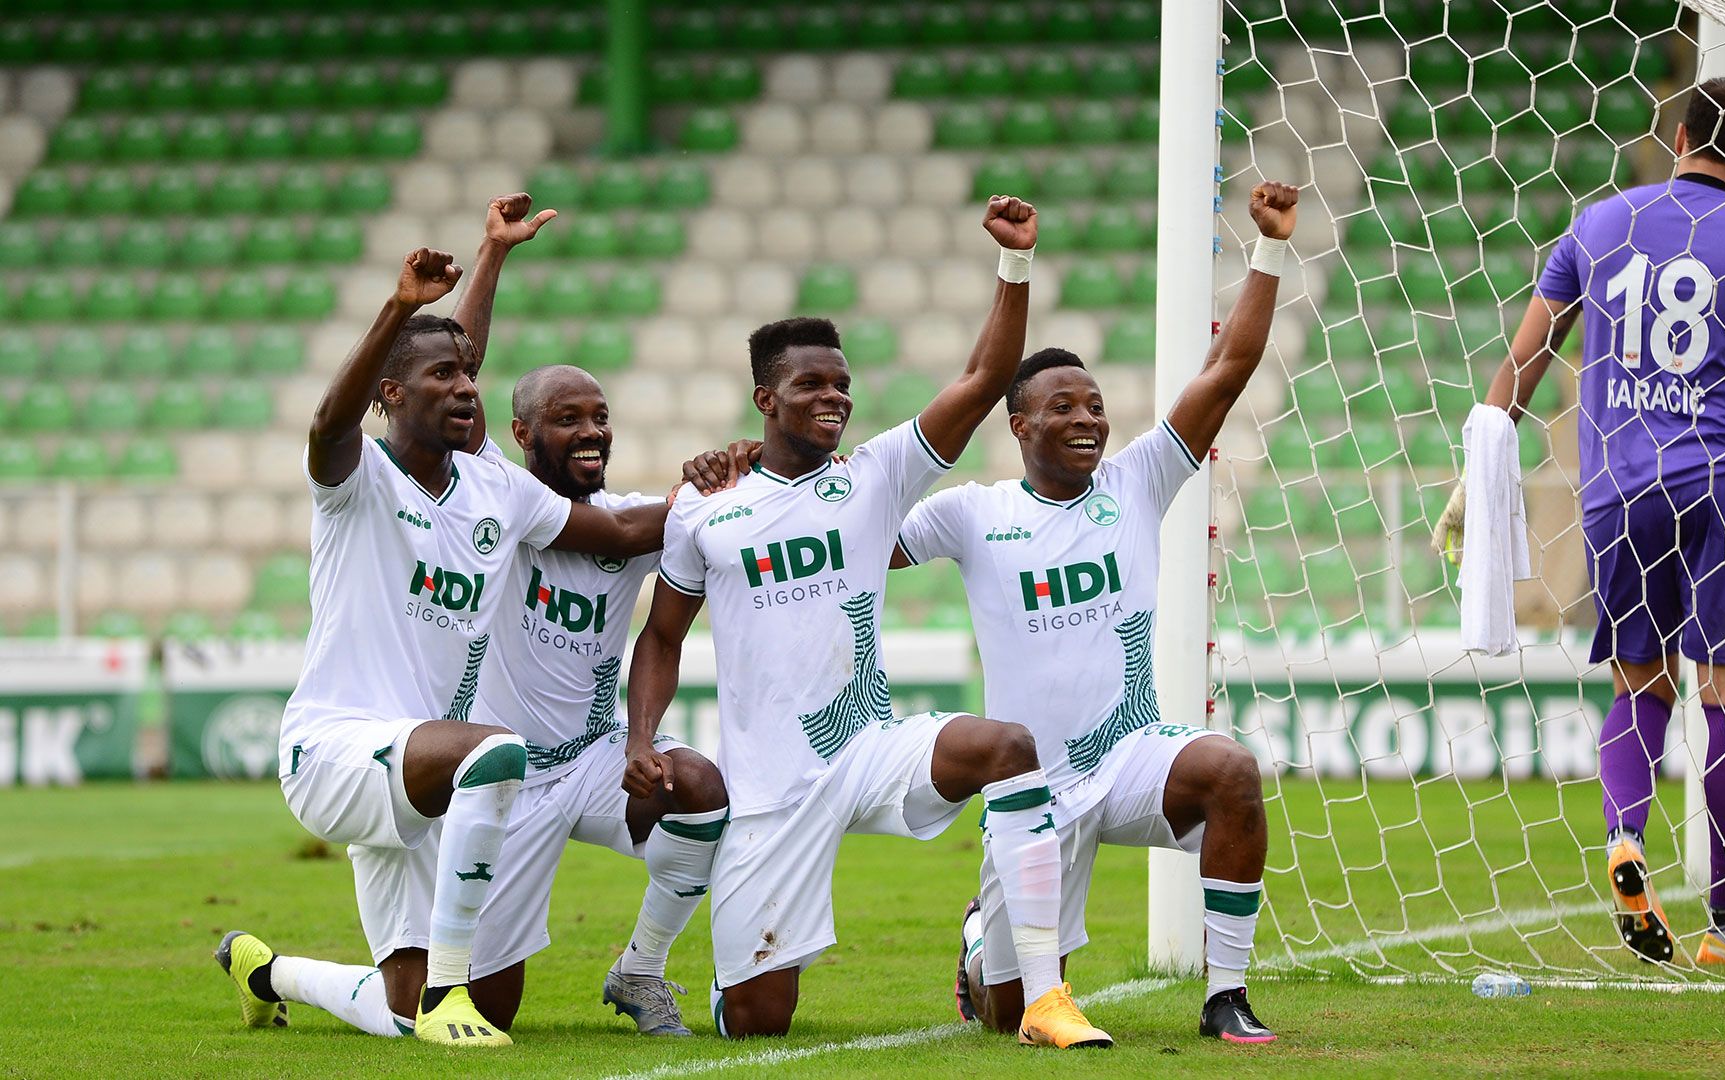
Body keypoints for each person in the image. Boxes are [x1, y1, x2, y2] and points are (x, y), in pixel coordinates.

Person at [1430, 77, 1725, 966]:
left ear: (1681, 134)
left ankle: (1626, 838)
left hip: (1619, 490)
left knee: (1640, 686)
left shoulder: (1596, 226)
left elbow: (1523, 360)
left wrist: (1477, 473)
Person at [626, 197, 1108, 1048]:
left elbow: (982, 381)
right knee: (759, 1024)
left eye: (842, 385)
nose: (834, 398)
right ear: (765, 398)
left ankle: (1044, 995)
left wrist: (1015, 264)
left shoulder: (875, 476)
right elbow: (662, 635)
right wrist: (641, 737)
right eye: (812, 385)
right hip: (771, 784)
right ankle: (719, 982)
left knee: (1007, 747)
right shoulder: (705, 506)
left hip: (868, 745)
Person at [211, 198, 691, 1048]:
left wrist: (738, 492)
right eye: (442, 379)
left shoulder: (497, 491)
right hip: (339, 750)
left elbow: (620, 532)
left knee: (411, 1011)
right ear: (390, 396)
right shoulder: (357, 481)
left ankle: (268, 973)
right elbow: (330, 422)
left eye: (471, 379)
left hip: (431, 775)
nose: (466, 387)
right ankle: (448, 997)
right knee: (497, 750)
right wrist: (399, 306)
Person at [891, 181, 1296, 1042]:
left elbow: (1226, 372)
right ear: (1017, 424)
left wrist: (1268, 248)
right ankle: (981, 943)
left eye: (1097, 406)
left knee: (1230, 771)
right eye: (1064, 407)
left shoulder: (1138, 481)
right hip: (1029, 788)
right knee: (1007, 1017)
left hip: (1127, 757)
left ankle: (1226, 994)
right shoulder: (972, 513)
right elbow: (859, 547)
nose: (1088, 420)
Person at [462, 364, 730, 1037]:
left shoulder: (627, 515)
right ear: (521, 432)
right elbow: (460, 384)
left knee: (699, 787)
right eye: (568, 419)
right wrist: (485, 274)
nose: (591, 432)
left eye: (600, 417)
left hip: (591, 760)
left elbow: (706, 514)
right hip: (506, 779)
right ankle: (282, 974)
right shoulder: (498, 497)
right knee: (486, 1014)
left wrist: (737, 468)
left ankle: (641, 969)